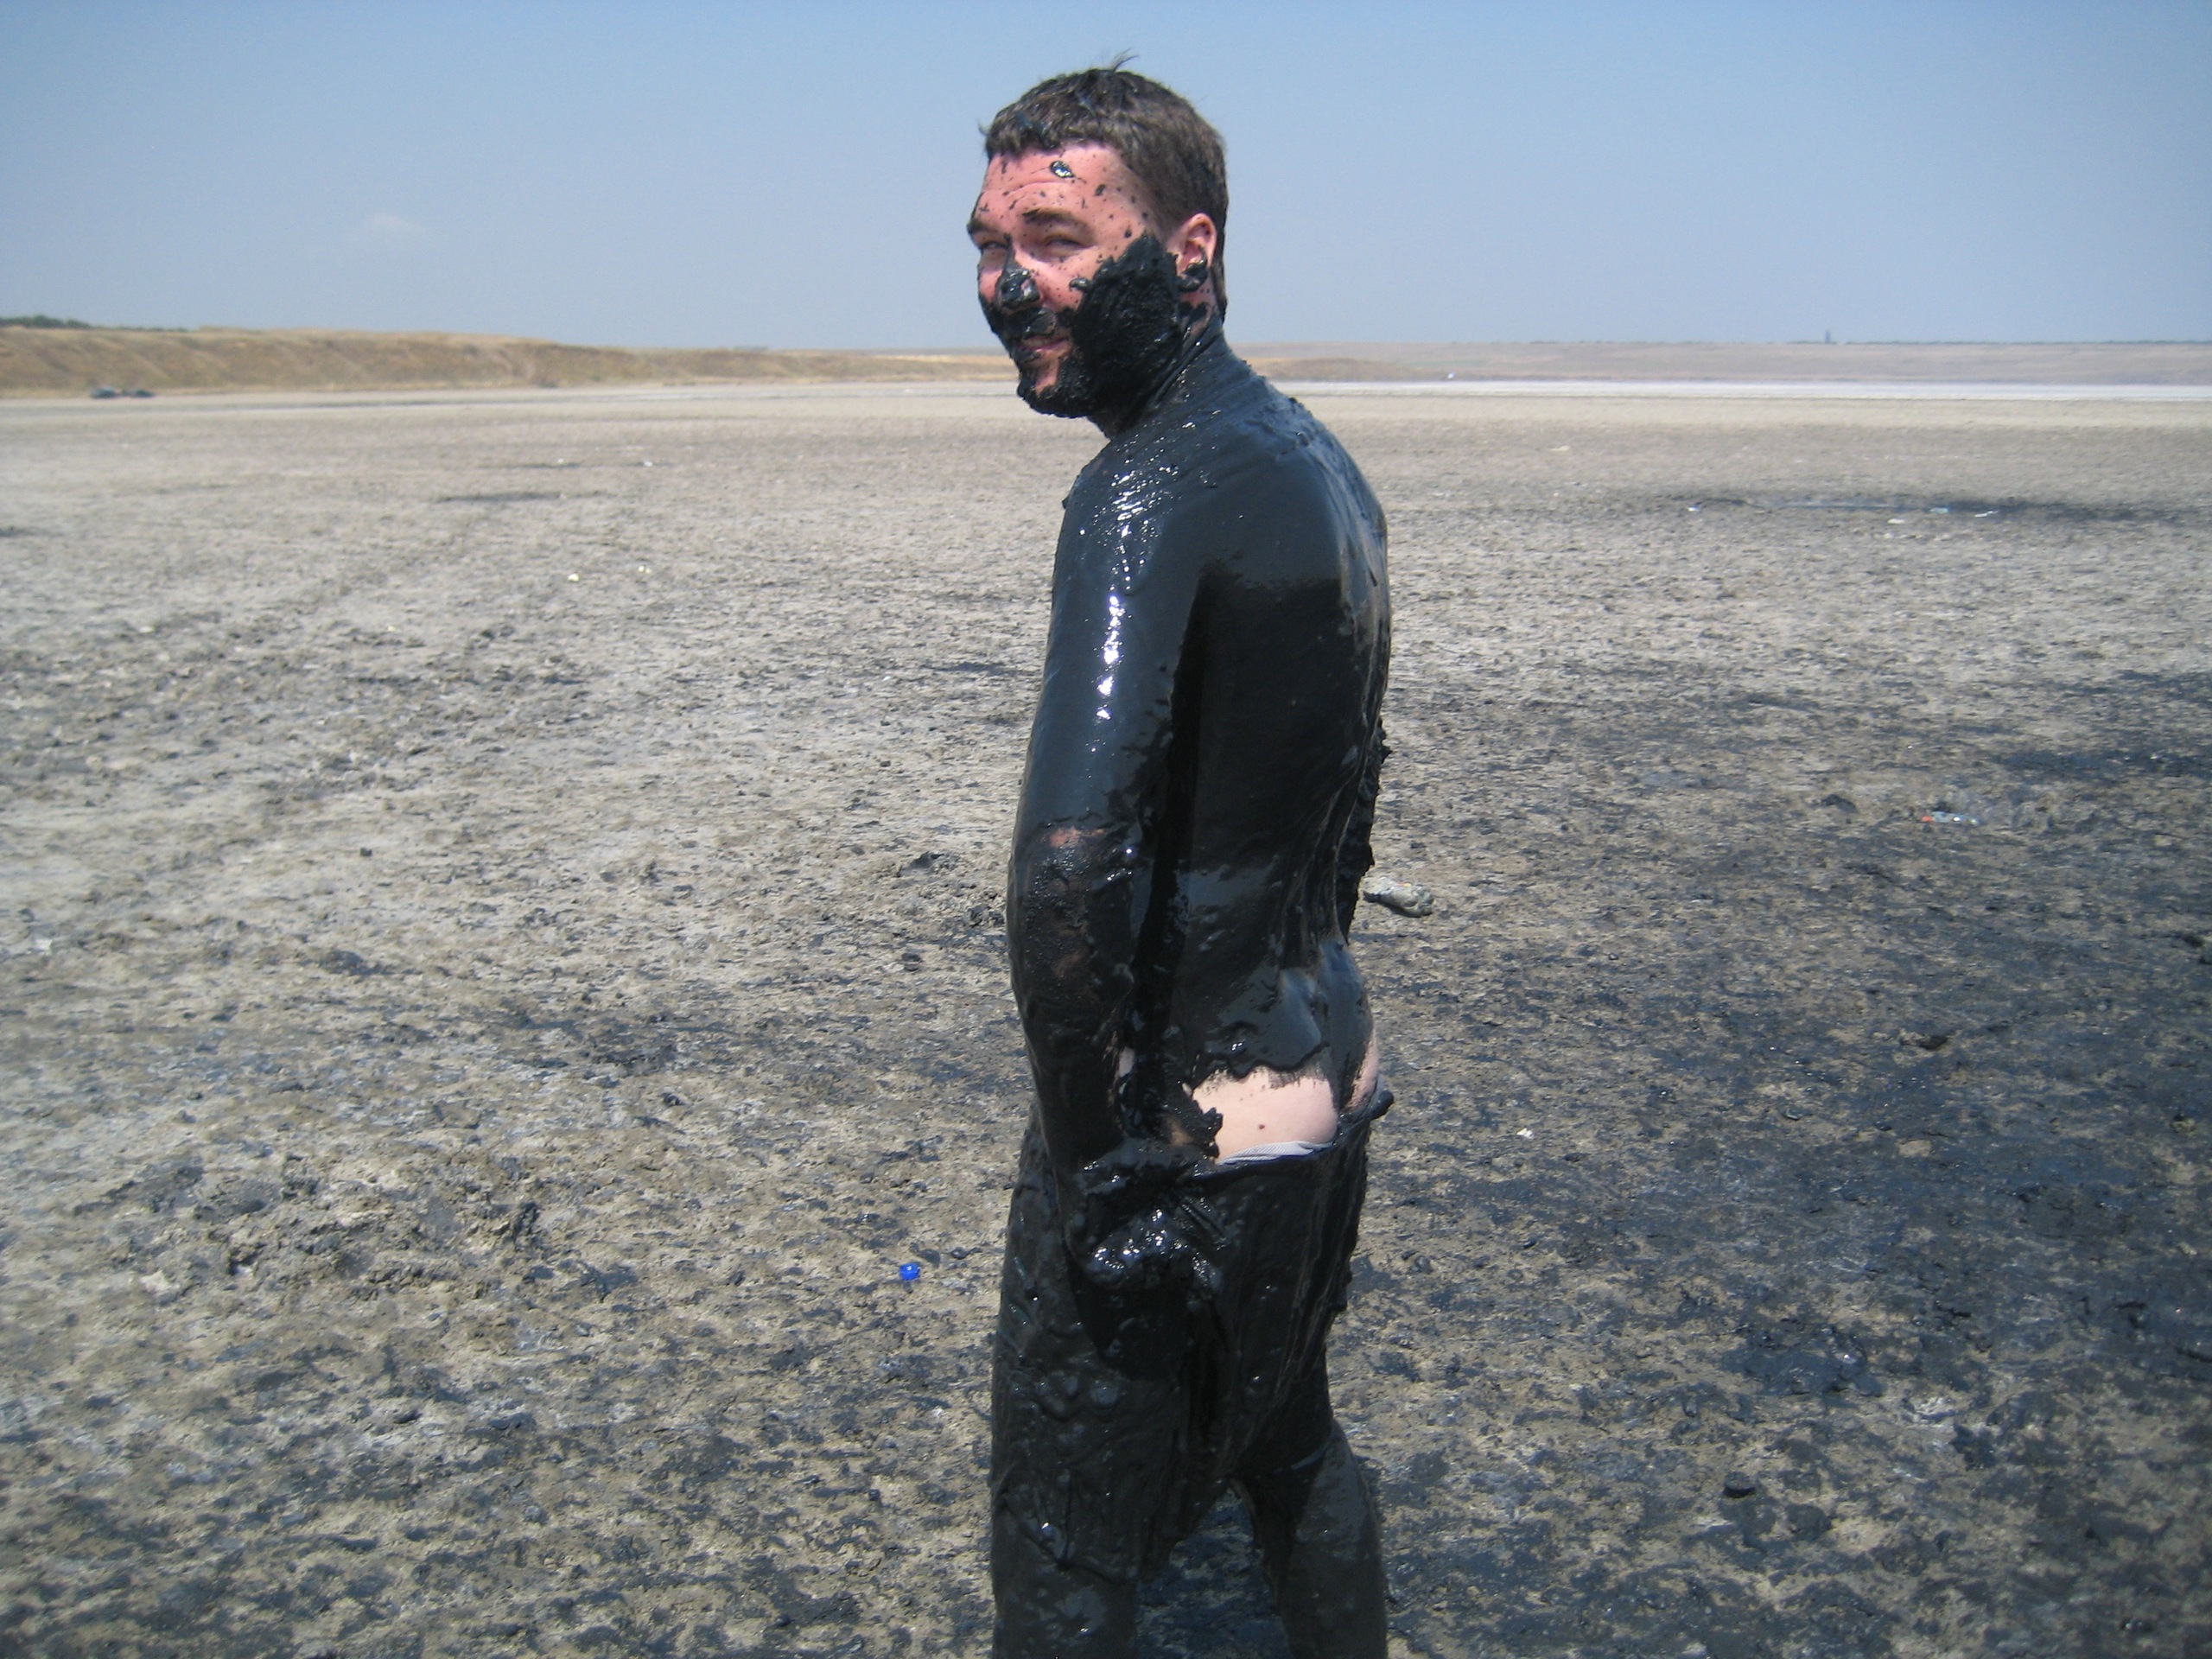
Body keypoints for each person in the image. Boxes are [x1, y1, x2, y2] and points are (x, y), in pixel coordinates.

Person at [970, 66, 1394, 1659]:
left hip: (1190, 1116)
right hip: (1326, 1064)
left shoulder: (1142, 496)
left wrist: (1105, 1176)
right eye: (991, 245)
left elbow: (1066, 870)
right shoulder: (1315, 464)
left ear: (1189, 251)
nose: (1010, 286)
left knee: (1065, 1553)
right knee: (1288, 1445)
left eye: (1058, 241)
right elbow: (1343, 793)